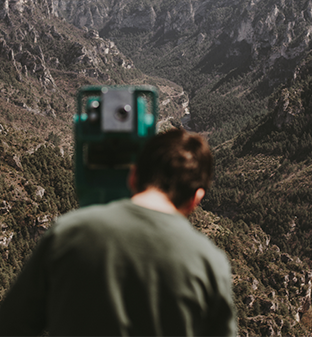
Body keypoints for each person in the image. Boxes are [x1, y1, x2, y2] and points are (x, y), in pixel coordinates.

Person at [0, 129, 236, 337]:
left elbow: (10, 326)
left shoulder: (68, 233)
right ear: (197, 198)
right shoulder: (210, 264)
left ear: (133, 177)